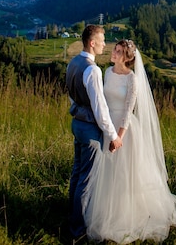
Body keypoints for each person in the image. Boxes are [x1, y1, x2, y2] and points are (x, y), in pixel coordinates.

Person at [82, 39, 176, 243]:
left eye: (119, 51)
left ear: (127, 58)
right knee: (108, 172)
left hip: (125, 131)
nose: (114, 52)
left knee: (125, 174)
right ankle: (107, 212)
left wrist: (119, 137)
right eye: (115, 49)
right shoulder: (107, 73)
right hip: (107, 128)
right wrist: (107, 131)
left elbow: (128, 110)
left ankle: (128, 214)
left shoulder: (132, 79)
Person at [66, 24, 123, 243]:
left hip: (77, 123)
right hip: (90, 129)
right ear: (92, 43)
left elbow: (72, 95)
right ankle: (78, 231)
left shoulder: (74, 62)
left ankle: (72, 218)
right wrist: (114, 135)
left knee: (77, 174)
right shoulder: (93, 70)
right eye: (102, 40)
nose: (105, 44)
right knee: (86, 182)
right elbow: (100, 109)